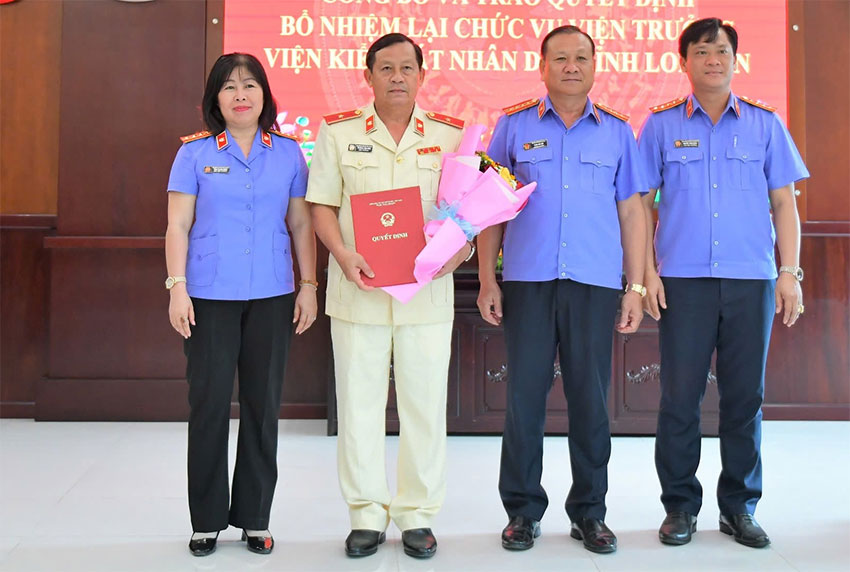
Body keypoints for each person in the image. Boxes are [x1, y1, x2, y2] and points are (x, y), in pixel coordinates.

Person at [637, 18, 808, 549]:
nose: (714, 59)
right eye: (703, 51)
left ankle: (740, 507)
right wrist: (645, 274)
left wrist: (789, 273)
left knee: (744, 399)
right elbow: (642, 205)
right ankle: (681, 508)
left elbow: (784, 203)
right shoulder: (661, 126)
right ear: (683, 61)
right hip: (682, 282)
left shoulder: (764, 124)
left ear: (737, 60)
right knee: (679, 399)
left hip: (750, 280)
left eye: (724, 51)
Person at [476, 25, 647, 555]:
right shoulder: (512, 126)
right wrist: (487, 278)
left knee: (591, 402)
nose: (571, 67)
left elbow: (632, 212)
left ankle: (589, 513)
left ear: (595, 66)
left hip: (594, 283)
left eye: (580, 58)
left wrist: (636, 286)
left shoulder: (618, 132)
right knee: (524, 400)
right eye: (560, 58)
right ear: (542, 65)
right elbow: (490, 208)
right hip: (528, 281)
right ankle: (523, 512)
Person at [306, 33, 470, 560]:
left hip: (425, 296)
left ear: (422, 75)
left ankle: (418, 516)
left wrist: (459, 254)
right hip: (360, 292)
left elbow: (466, 213)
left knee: (424, 406)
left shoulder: (449, 135)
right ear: (368, 75)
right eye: (386, 68)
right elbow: (322, 206)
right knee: (359, 407)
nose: (397, 77)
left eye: (407, 68)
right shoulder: (338, 133)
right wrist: (341, 253)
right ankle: (366, 514)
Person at [164, 53, 317, 557]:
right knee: (207, 406)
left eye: (249, 85)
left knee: (262, 407)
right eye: (229, 87)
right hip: (208, 295)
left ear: (265, 95)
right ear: (215, 99)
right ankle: (206, 518)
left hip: (272, 294)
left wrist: (309, 284)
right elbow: (177, 226)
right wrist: (177, 286)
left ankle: (254, 517)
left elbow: (299, 224)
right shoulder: (193, 154)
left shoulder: (290, 154)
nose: (240, 94)